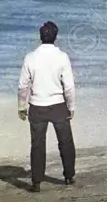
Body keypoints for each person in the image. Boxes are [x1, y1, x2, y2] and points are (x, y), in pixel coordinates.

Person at [17, 21, 76, 192]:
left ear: (40, 36)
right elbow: (69, 86)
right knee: (65, 142)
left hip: (37, 105)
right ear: (56, 37)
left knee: (37, 145)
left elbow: (22, 86)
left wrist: (21, 106)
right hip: (58, 105)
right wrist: (71, 106)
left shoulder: (30, 57)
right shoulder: (62, 57)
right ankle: (69, 176)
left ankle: (36, 182)